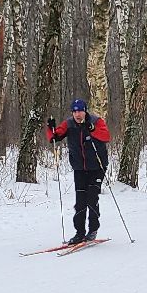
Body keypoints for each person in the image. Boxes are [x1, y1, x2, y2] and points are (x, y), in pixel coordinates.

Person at [45, 99, 111, 244]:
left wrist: (92, 129)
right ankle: (79, 233)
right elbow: (55, 137)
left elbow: (106, 136)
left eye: (80, 111)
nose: (77, 114)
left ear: (85, 111)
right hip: (79, 168)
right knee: (80, 202)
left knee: (92, 199)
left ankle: (93, 230)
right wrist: (51, 128)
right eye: (74, 111)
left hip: (97, 167)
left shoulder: (96, 121)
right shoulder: (69, 124)